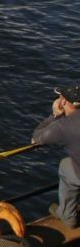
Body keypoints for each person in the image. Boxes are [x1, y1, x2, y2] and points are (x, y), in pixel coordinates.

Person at [32, 83, 80, 228]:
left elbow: (36, 138)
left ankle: (68, 216)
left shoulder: (63, 126)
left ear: (64, 101)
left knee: (66, 166)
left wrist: (55, 115)